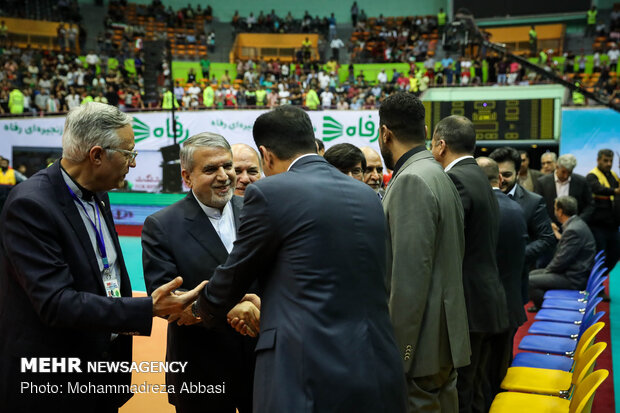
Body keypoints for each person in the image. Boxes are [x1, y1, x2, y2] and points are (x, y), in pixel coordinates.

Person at [195, 105, 408, 413]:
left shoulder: (269, 193)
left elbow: (236, 271)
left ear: (266, 155)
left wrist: (200, 307)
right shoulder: (366, 195)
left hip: (306, 372)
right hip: (375, 363)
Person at [0, 102, 203, 411]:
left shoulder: (99, 192)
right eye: (129, 153)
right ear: (96, 155)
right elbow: (56, 303)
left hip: (102, 368)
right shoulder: (31, 205)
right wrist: (147, 308)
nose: (133, 164)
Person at [142, 134, 258, 413]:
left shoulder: (257, 212)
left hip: (259, 364)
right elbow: (168, 302)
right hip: (201, 369)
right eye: (210, 169)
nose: (224, 176)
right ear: (187, 176)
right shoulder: (162, 225)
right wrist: (232, 307)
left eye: (227, 166)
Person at [379, 93, 470, 412]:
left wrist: (397, 356)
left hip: (419, 347)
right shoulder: (436, 173)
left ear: (385, 133)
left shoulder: (412, 180)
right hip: (441, 338)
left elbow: (408, 280)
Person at [430, 115, 508, 413]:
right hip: (486, 296)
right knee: (474, 388)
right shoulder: (477, 174)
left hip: (470, 302)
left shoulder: (456, 179)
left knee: (462, 389)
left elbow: (449, 241)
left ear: (440, 145)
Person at [476, 156, 527, 408]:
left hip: (482, 311)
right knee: (500, 376)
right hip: (511, 307)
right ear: (499, 179)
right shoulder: (517, 208)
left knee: (480, 382)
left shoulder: (478, 210)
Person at [489, 147, 556, 304]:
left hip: (514, 281)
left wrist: (516, 255)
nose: (501, 180)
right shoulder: (480, 196)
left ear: (518, 173)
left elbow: (547, 239)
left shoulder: (533, 202)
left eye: (506, 175)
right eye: (496, 175)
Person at [528, 196, 596, 309]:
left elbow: (561, 261)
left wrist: (547, 272)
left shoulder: (573, 230)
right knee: (532, 274)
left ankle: (547, 311)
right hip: (574, 272)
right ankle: (544, 307)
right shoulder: (576, 223)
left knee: (530, 280)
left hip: (573, 278)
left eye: (555, 208)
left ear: (560, 211)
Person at [586, 149, 619, 279]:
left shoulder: (614, 176)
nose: (609, 163)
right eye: (605, 160)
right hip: (597, 225)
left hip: (613, 225)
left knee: (615, 254)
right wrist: (615, 191)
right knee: (599, 256)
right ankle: (597, 285)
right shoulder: (592, 176)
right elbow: (598, 189)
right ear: (598, 160)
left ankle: (600, 278)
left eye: (611, 161)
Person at [534, 154, 594, 225]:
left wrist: (578, 221)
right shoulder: (542, 183)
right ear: (557, 167)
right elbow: (538, 206)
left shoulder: (581, 181)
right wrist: (548, 223)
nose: (566, 176)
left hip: (575, 226)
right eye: (563, 172)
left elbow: (590, 205)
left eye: (569, 172)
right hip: (550, 227)